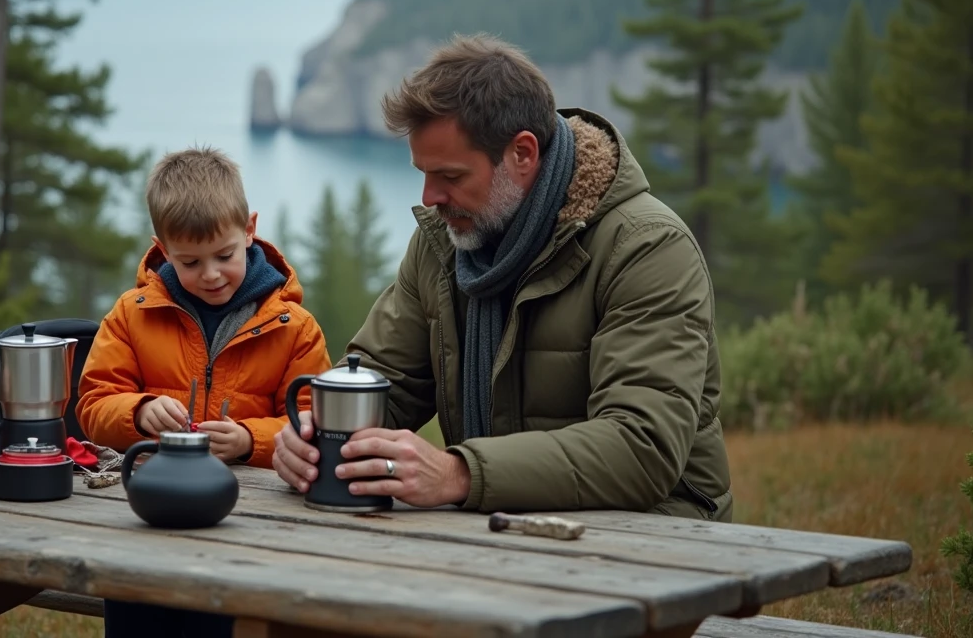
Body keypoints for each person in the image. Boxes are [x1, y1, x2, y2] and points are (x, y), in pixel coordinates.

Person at [272, 33, 733, 522]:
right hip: (503, 520)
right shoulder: (445, 242)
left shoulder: (646, 248)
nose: (430, 198)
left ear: (523, 154)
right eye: (423, 173)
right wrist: (315, 439)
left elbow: (643, 448)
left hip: (657, 529)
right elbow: (380, 379)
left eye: (450, 177)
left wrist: (459, 474)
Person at [76, 146, 332, 637]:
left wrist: (248, 440)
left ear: (250, 229)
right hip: (148, 511)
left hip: (250, 525)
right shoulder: (133, 314)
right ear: (163, 248)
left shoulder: (294, 328)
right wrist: (139, 411)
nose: (211, 274)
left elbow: (312, 423)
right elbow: (93, 403)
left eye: (225, 255)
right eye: (190, 262)